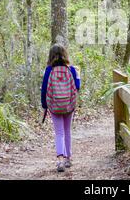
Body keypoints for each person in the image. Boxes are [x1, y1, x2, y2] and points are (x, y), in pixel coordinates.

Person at [41, 44, 80, 173]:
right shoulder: (72, 69)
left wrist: (45, 105)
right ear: (65, 54)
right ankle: (68, 158)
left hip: (54, 106)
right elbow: (77, 87)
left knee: (59, 132)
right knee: (67, 131)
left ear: (51, 56)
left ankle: (60, 160)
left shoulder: (48, 70)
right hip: (69, 105)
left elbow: (45, 89)